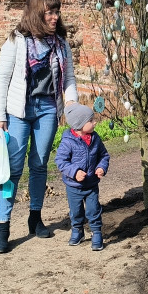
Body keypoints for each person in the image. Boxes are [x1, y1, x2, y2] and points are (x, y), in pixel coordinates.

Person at [0, 0, 79, 254]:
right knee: (13, 169)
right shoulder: (15, 42)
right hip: (19, 111)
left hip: (47, 109)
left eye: (57, 12)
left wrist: (71, 103)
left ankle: (35, 218)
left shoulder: (60, 43)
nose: (55, 17)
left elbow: (69, 78)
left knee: (39, 165)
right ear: (35, 15)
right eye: (49, 13)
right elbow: (2, 81)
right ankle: (3, 225)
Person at [54, 103, 110, 251]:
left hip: (91, 184)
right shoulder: (68, 142)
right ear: (79, 124)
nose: (95, 122)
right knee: (76, 211)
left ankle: (97, 233)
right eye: (91, 120)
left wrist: (101, 167)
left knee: (94, 210)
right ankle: (77, 231)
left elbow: (104, 155)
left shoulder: (95, 139)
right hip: (74, 186)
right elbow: (60, 161)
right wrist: (74, 172)